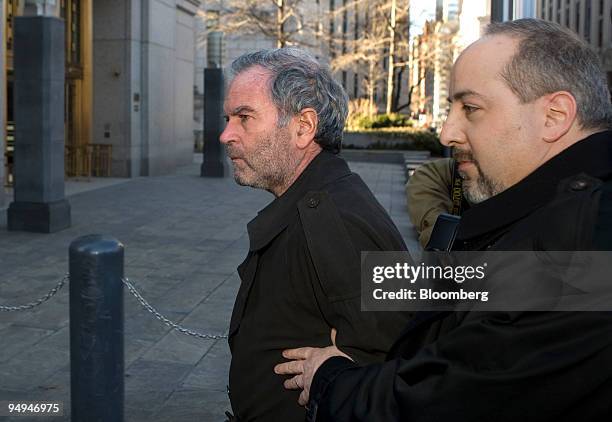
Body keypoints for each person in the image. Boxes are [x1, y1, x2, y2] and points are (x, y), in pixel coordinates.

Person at [274, 19, 612, 421]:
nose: (447, 132)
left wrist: (330, 378)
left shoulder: (586, 235)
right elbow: (487, 289)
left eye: (471, 108)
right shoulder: (554, 212)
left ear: (555, 115)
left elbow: (446, 400)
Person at [220, 48, 412, 421]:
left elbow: (392, 362)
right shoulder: (315, 202)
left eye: (244, 118)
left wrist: (346, 374)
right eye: (228, 118)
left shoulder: (336, 219)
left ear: (303, 127)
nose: (226, 134)